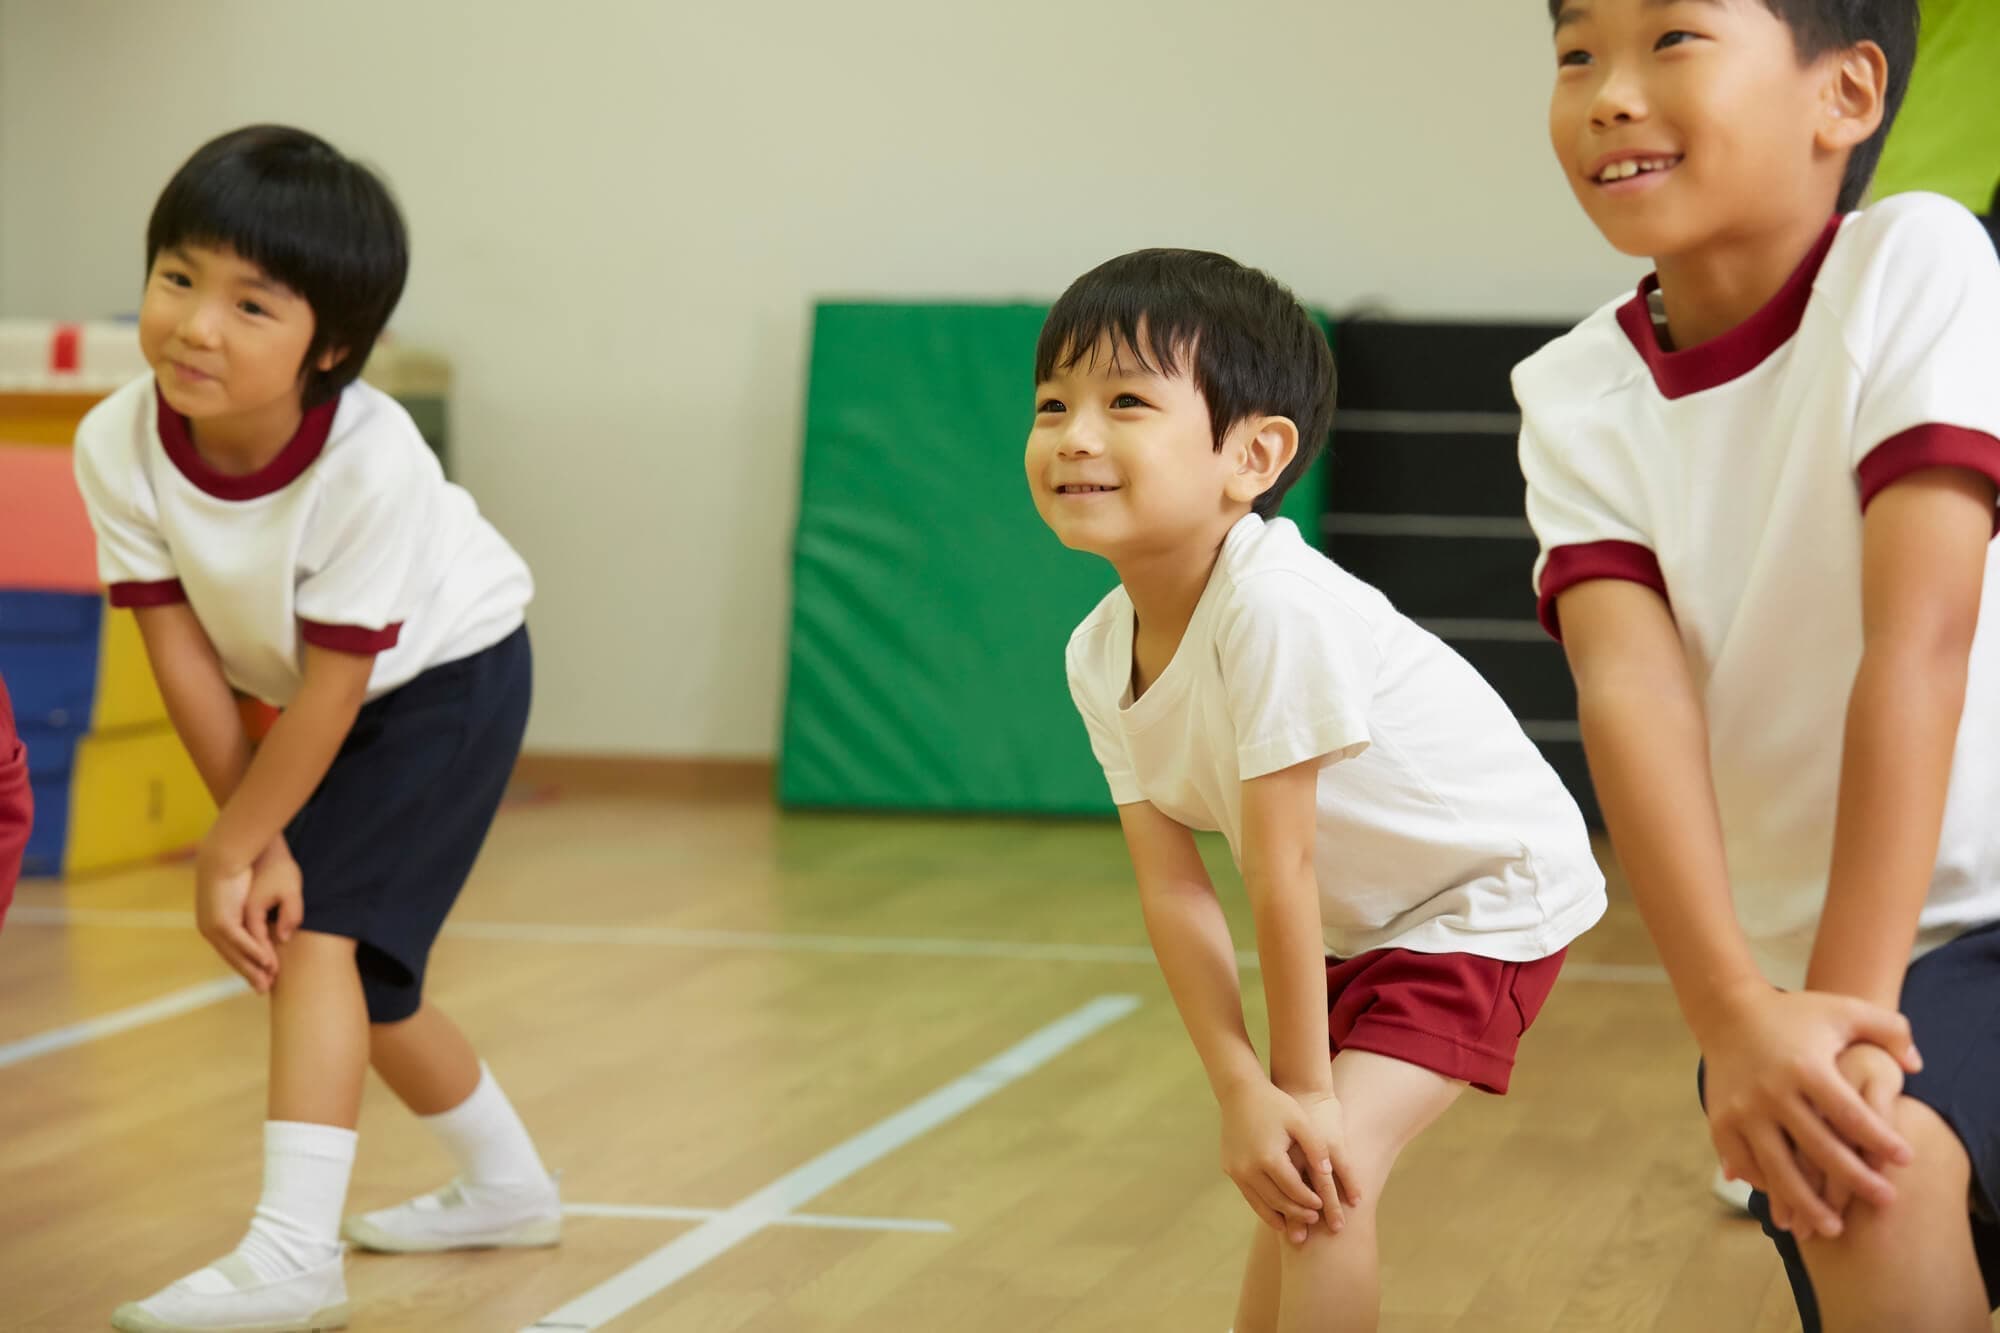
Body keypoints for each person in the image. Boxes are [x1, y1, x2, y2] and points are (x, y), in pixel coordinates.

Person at [1517, 2, 2000, 1326]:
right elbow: (1630, 697)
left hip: (1964, 938)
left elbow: (1923, 640)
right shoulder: (1571, 396)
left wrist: (1838, 1021)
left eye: (1671, 40)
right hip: (1793, 990)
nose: (1610, 93)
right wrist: (1733, 1011)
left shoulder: (1917, 259)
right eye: (1575, 56)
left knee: (1871, 1164)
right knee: (1869, 1199)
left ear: (1845, 96)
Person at [1031, 247, 1605, 1332]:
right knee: (1298, 1176)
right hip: (1363, 918)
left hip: (1484, 898)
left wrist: (1298, 1096)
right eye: (1052, 401)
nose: (1074, 434)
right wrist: (1238, 1086)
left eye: (1124, 402)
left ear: (1252, 454)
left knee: (1321, 1179)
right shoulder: (1096, 650)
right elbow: (1174, 891)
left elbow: (1274, 862)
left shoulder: (1274, 608)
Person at [75, 125, 557, 1333]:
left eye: (251, 305)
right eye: (178, 279)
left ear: (330, 346)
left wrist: (238, 847)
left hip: (451, 673)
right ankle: (508, 1186)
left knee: (322, 936)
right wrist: (247, 829)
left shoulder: (369, 459)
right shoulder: (113, 440)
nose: (196, 325)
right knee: (364, 978)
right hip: (313, 702)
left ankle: (292, 1254)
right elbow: (177, 648)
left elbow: (340, 683)